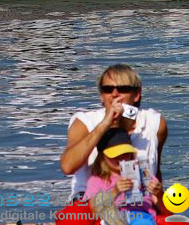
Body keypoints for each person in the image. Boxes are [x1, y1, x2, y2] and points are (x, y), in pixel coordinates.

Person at [60, 64, 168, 201]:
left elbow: (156, 171)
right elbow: (68, 167)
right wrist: (105, 123)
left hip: (139, 203)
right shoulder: (84, 122)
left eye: (122, 89)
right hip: (89, 201)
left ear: (136, 95)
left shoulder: (155, 123)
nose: (114, 94)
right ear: (101, 96)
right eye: (107, 89)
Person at [85, 128, 166, 225]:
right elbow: (94, 210)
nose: (121, 157)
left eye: (125, 154)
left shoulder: (145, 174)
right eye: (115, 155)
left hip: (141, 216)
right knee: (110, 213)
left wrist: (159, 194)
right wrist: (115, 191)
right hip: (114, 216)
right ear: (103, 156)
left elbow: (166, 211)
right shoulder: (96, 180)